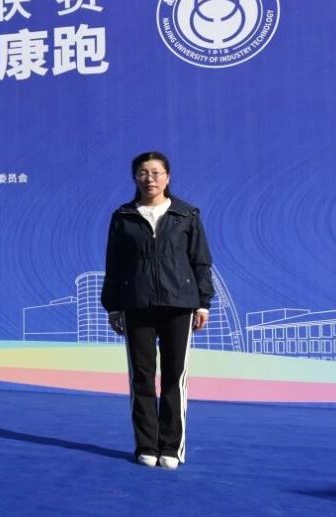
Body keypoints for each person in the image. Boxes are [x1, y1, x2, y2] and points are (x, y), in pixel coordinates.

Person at [102, 151, 214, 470]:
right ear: (134, 178)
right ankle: (146, 445)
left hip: (179, 303)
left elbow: (201, 261)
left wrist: (203, 302)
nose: (149, 178)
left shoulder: (186, 214)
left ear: (168, 177)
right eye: (142, 172)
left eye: (155, 172)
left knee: (174, 378)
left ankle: (171, 447)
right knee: (142, 377)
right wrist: (113, 306)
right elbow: (114, 264)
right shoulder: (123, 216)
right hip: (136, 303)